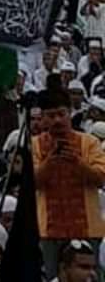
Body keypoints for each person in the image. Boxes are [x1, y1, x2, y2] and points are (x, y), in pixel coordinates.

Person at [31, 87, 105, 250]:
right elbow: (32, 184)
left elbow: (100, 179)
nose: (57, 120)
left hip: (88, 228)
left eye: (61, 114)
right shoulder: (34, 145)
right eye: (51, 115)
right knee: (52, 276)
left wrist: (77, 162)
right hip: (49, 230)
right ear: (43, 118)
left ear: (70, 113)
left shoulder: (90, 142)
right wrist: (50, 161)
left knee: (89, 275)